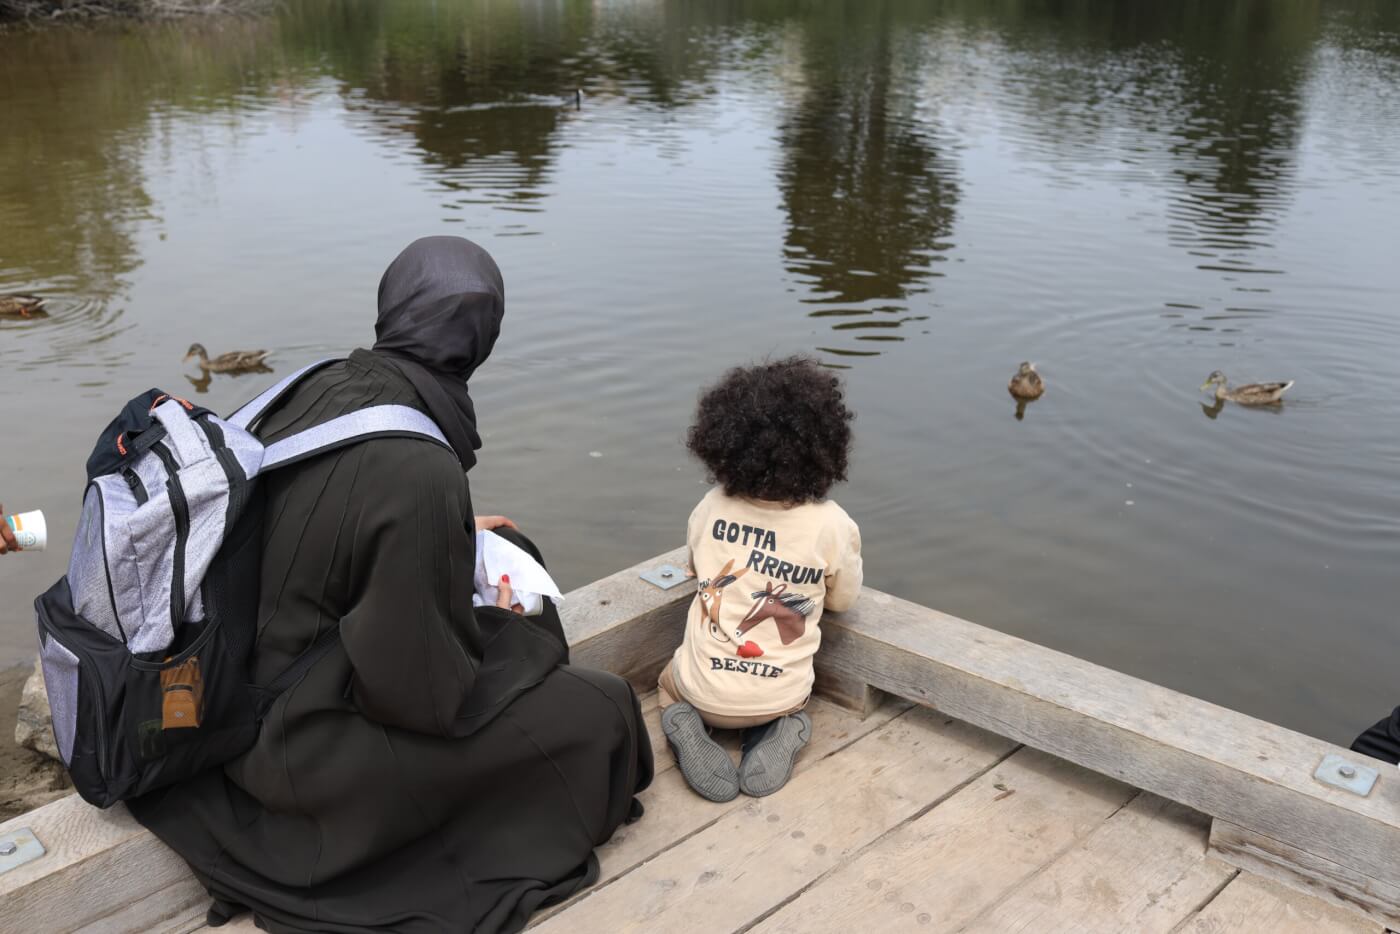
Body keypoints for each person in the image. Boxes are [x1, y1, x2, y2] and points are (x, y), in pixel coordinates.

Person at [128, 237, 653, 933]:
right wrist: (514, 627)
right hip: (296, 752)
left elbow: (319, 515)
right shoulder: (419, 466)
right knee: (601, 710)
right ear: (481, 340)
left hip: (222, 691)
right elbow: (421, 698)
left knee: (510, 546)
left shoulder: (314, 383)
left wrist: (450, 530)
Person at [658, 357, 863, 802]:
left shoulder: (711, 506)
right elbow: (844, 600)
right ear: (826, 445)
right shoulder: (833, 525)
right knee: (785, 701)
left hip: (700, 691)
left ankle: (685, 722)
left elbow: (697, 566)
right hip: (781, 694)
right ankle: (778, 730)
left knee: (667, 684)